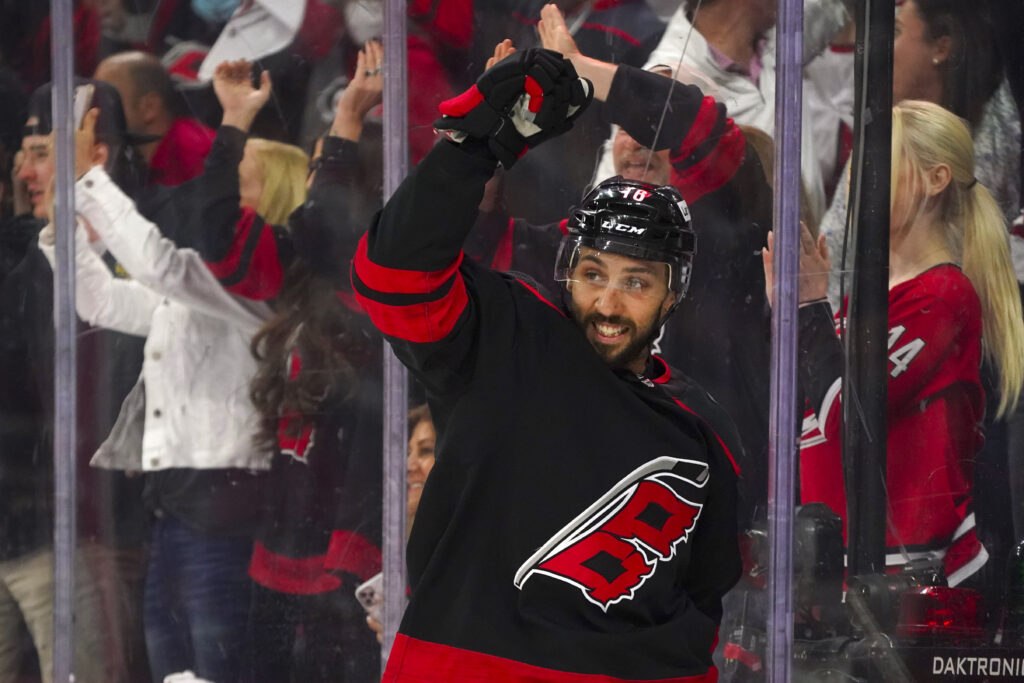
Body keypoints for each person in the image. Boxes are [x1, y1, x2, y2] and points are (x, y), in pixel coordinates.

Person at [350, 42, 743, 679]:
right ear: (568, 272)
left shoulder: (701, 431)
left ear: (674, 293)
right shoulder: (509, 338)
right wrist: (471, 148)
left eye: (637, 282)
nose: (609, 303)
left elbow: (705, 590)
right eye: (594, 274)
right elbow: (393, 276)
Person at [763, 100, 1024, 588]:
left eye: (879, 163)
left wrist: (808, 310)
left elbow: (847, 415)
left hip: (913, 580)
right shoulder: (868, 302)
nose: (860, 180)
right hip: (843, 565)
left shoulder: (942, 296)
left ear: (935, 179)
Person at [94, 50, 215, 187]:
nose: (96, 110)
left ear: (149, 107)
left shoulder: (195, 153)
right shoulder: (131, 158)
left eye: (107, 100)